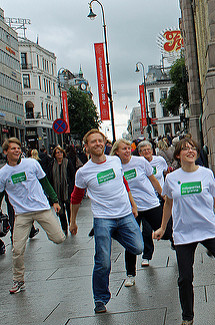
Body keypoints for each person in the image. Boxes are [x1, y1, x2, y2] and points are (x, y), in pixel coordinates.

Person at [153, 137, 215, 325]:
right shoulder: (172, 178)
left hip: (207, 229)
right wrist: (163, 228)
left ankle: (210, 248)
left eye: (193, 148)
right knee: (185, 278)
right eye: (186, 149)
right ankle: (187, 318)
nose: (191, 151)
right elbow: (168, 204)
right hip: (183, 233)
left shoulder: (206, 174)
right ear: (178, 155)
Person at [69, 129, 143, 314]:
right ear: (86, 147)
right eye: (93, 141)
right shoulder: (83, 172)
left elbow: (124, 183)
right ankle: (100, 299)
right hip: (102, 218)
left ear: (104, 143)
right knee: (103, 261)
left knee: (138, 247)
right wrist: (73, 221)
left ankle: (115, 232)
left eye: (100, 140)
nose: (97, 144)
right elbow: (76, 198)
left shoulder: (115, 161)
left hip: (125, 214)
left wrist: (133, 204)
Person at [0, 137, 65, 294]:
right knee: (17, 249)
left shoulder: (32, 164)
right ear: (5, 152)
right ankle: (18, 280)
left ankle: (46, 227)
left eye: (18, 148)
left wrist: (55, 200)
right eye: (12, 148)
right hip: (22, 214)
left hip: (41, 208)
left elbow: (45, 182)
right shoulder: (3, 173)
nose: (16, 150)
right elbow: (0, 193)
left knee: (59, 238)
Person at [111, 139, 163, 285]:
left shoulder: (140, 162)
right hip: (130, 209)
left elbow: (153, 180)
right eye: (123, 149)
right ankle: (130, 274)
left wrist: (163, 194)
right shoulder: (114, 166)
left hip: (150, 204)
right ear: (117, 152)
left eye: (129, 148)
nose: (127, 151)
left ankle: (179, 251)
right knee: (131, 241)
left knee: (166, 230)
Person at [138, 140, 173, 245]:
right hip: (147, 198)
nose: (147, 152)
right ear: (140, 153)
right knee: (147, 229)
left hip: (162, 195)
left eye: (148, 149)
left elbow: (166, 173)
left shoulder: (160, 160)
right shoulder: (138, 164)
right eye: (144, 150)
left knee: (168, 221)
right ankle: (147, 256)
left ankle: (174, 242)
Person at [47, 145, 75, 235]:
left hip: (67, 190)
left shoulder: (67, 162)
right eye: (57, 153)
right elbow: (49, 177)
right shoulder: (52, 164)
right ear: (54, 155)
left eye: (61, 152)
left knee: (69, 209)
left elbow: (72, 174)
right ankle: (64, 228)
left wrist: (71, 186)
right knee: (61, 212)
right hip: (56, 191)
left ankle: (71, 225)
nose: (59, 154)